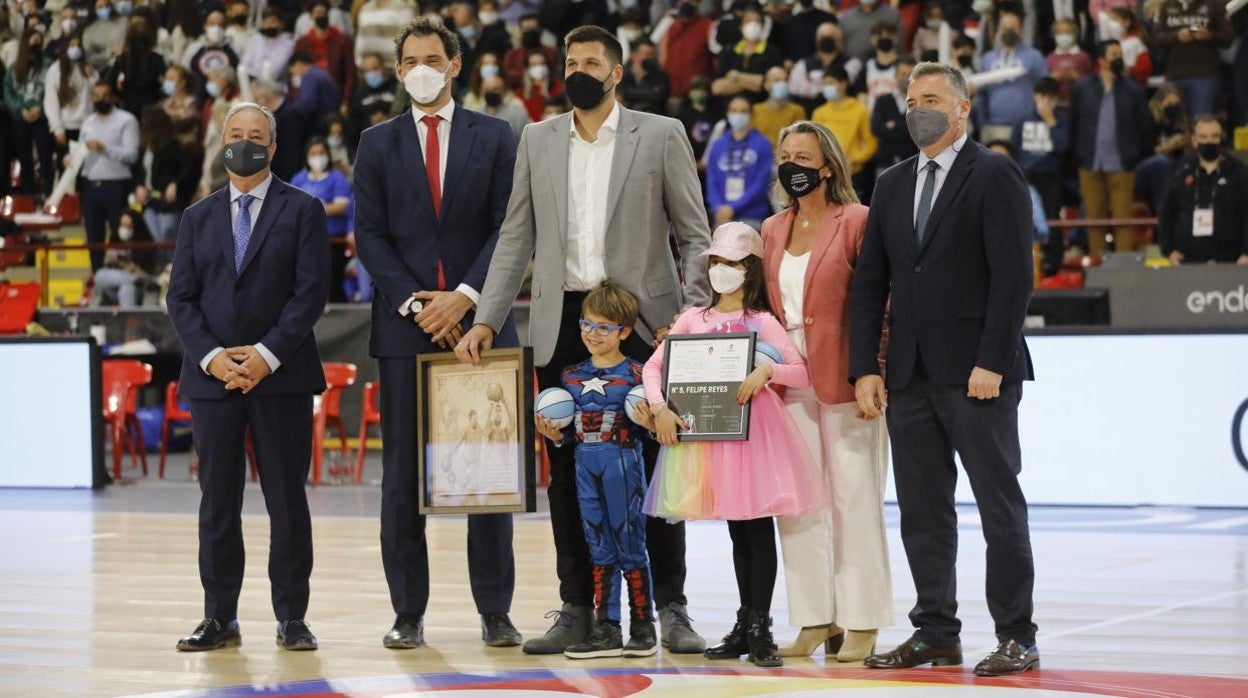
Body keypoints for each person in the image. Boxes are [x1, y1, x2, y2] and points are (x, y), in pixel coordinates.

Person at [456, 24, 710, 657]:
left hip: (644, 322)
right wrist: (486, 316)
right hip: (564, 322)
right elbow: (515, 235)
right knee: (568, 468)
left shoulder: (660, 133)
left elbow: (694, 232)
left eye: (591, 62)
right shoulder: (537, 139)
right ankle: (578, 605)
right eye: (570, 61)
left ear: (616, 73)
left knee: (654, 465)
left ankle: (670, 604)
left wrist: (695, 313)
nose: (578, 70)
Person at [849, 61, 1039, 677]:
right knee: (923, 512)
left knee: (998, 507)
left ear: (961, 109)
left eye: (930, 98)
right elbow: (872, 280)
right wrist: (864, 367)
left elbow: (1014, 278)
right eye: (910, 100)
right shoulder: (891, 182)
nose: (916, 109)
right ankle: (935, 632)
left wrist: (991, 359)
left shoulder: (996, 173)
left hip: (979, 376)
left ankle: (1017, 634)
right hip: (907, 375)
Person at [352, 17, 522, 650]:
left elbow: (509, 228)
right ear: (399, 71)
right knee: (401, 479)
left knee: (486, 474)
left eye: (432, 58)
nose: (420, 68)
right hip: (406, 330)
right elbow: (368, 235)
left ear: (455, 65)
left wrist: (466, 300)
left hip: (480, 326)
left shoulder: (498, 135)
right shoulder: (376, 142)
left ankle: (495, 611)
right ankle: (407, 613)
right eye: (409, 60)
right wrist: (415, 303)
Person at [167, 101, 330, 654]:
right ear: (222, 143)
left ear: (273, 146)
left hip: (280, 378)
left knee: (287, 501)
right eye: (235, 134)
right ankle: (219, 617)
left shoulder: (304, 209)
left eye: (255, 135)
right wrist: (214, 357)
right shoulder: (196, 217)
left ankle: (292, 617)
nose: (245, 142)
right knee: (218, 502)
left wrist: (264, 355)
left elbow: (310, 294)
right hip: (212, 381)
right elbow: (181, 299)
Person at [642, 221, 827, 669]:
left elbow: (801, 371)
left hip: (754, 437)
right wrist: (659, 407)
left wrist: (767, 372)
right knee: (736, 531)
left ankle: (760, 623)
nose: (723, 270)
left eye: (733, 263)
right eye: (717, 262)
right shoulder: (691, 319)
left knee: (757, 529)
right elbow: (653, 368)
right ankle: (745, 622)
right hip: (708, 437)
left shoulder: (762, 322)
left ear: (750, 269)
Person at [762, 120, 893, 664]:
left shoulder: (858, 220)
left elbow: (881, 303)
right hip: (787, 383)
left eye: (804, 156)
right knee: (798, 508)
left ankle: (862, 620)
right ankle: (817, 618)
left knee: (855, 501)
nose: (793, 164)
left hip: (846, 376)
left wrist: (874, 369)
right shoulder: (771, 228)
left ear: (828, 166)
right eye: (786, 154)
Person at [533, 281, 659, 659]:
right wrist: (553, 436)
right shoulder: (570, 377)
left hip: (623, 462)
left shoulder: (640, 375)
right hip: (584, 465)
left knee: (629, 541)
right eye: (587, 325)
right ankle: (607, 627)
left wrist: (651, 424)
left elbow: (653, 431)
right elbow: (566, 436)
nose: (592, 334)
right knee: (598, 542)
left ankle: (642, 625)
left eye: (603, 327)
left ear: (624, 331)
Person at [1071, 40, 1153, 255]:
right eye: (1113, 54)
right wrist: (1077, 155)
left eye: (1120, 53)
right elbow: (1075, 122)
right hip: (1090, 161)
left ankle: (1123, 264)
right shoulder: (1083, 88)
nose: (1118, 58)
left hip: (1122, 162)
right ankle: (1098, 262)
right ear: (1101, 61)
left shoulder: (1134, 90)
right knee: (1093, 218)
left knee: (1122, 219)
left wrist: (1135, 154)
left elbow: (1145, 126)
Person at [1158, 116, 1248, 266]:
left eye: (1215, 136)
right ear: (1194, 140)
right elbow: (1166, 215)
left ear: (1222, 138)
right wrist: (1169, 250)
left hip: (1231, 264)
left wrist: (1246, 252)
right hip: (1188, 263)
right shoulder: (1182, 175)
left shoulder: (1240, 174)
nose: (1209, 141)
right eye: (1203, 137)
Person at [1010, 77, 1068, 275]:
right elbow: (1014, 148)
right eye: (1042, 96)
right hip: (1027, 175)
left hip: (1052, 175)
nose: (1046, 102)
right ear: (1035, 95)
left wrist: (1051, 122)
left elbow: (1063, 148)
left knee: (1051, 216)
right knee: (1026, 217)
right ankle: (1025, 260)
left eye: (1051, 98)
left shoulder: (1061, 121)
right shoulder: (1023, 119)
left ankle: (1053, 260)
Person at [80, 81, 140, 271]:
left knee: (120, 233)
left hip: (116, 184)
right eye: (96, 96)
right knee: (93, 235)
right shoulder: (87, 123)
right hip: (90, 185)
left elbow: (132, 154)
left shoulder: (126, 120)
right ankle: (97, 274)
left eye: (104, 95)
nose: (100, 100)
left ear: (112, 97)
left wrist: (105, 148)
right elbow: (81, 151)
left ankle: (124, 272)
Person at [973, 3, 1048, 139]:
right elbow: (981, 94)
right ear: (998, 30)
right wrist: (983, 123)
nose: (1009, 31)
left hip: (1026, 126)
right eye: (1004, 28)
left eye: (1013, 28)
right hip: (993, 126)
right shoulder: (987, 58)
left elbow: (1044, 91)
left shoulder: (1034, 56)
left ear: (1021, 29)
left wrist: (1037, 120)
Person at [292, 137, 352, 302]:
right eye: (314, 153)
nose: (318, 157)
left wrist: (312, 208)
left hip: (332, 242)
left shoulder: (337, 178)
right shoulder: (299, 179)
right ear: (307, 156)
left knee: (333, 286)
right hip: (304, 241)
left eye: (321, 153)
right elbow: (292, 208)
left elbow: (342, 206)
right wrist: (323, 207)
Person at [1151, 0, 1231, 118]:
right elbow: (1155, 39)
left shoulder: (1214, 5)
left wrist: (1209, 36)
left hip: (1204, 75)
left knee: (1201, 120)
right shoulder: (1166, 6)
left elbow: (1228, 38)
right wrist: (1177, 36)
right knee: (1174, 122)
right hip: (1174, 75)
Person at [706, 96, 773, 229]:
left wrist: (733, 208)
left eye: (743, 111)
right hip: (721, 215)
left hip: (751, 216)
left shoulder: (763, 144)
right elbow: (711, 181)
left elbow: (761, 183)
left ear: (751, 114)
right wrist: (718, 207)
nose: (738, 115)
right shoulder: (718, 145)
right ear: (728, 114)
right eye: (734, 110)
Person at [811, 67, 877, 199]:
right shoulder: (819, 113)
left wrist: (855, 159)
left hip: (852, 174)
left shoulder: (859, 111)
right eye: (825, 84)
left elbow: (871, 142)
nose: (827, 87)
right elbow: (814, 143)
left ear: (843, 84)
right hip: (827, 173)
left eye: (830, 83)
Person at [4, 27, 53, 198]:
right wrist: (20, 108)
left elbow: (53, 91)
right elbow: (8, 93)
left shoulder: (48, 65)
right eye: (33, 41)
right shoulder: (14, 68)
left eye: (39, 42)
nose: (36, 45)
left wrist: (40, 107)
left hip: (42, 117)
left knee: (45, 157)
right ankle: (28, 197)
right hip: (20, 118)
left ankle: (49, 195)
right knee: (25, 160)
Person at [710, 4, 783, 108]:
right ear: (741, 26)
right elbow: (717, 87)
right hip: (730, 110)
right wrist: (753, 82)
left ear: (762, 26)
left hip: (761, 109)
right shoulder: (728, 52)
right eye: (748, 21)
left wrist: (736, 76)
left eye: (757, 21)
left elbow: (767, 85)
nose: (753, 25)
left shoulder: (773, 52)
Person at [45, 33, 98, 176]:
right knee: (66, 169)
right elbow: (51, 102)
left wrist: (92, 77)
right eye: (72, 45)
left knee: (85, 168)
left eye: (78, 46)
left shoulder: (89, 69)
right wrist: (58, 128)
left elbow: (96, 96)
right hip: (66, 127)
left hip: (86, 126)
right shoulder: (55, 70)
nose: (75, 49)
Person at [294, 0, 356, 108]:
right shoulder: (302, 43)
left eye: (324, 13)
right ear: (311, 16)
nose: (321, 16)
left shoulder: (342, 40)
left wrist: (346, 102)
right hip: (311, 99)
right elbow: (296, 74)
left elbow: (350, 74)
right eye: (318, 13)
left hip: (335, 97)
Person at [94, 209, 158, 307]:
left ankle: (128, 320)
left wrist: (126, 261)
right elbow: (107, 268)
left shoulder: (144, 245)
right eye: (122, 225)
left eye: (129, 226)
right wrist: (111, 258)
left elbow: (144, 272)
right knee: (99, 275)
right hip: (115, 285)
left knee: (127, 288)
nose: (125, 229)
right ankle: (131, 279)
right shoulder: (114, 240)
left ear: (135, 227)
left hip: (137, 288)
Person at [107, 16, 167, 119]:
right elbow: (164, 84)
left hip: (128, 106)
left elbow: (110, 82)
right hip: (152, 105)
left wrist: (120, 95)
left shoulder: (122, 59)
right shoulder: (158, 59)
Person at [872, 55, 918, 173]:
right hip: (885, 164)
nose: (907, 78)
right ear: (895, 75)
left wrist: (894, 125)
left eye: (910, 75)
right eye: (903, 74)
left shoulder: (922, 103)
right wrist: (906, 127)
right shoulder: (882, 100)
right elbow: (876, 129)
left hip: (913, 165)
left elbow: (919, 131)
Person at [751, 66, 804, 147]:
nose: (782, 84)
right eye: (777, 80)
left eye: (785, 80)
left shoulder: (797, 111)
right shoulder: (755, 111)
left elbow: (800, 140)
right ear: (766, 84)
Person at [241, 8, 295, 85]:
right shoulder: (256, 41)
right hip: (254, 84)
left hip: (276, 87)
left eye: (273, 22)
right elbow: (245, 65)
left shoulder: (288, 45)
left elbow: (275, 71)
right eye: (265, 22)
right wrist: (254, 76)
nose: (269, 25)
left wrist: (254, 73)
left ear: (281, 24)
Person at [839, 0, 903, 61]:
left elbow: (899, 44)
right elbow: (841, 44)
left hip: (883, 66)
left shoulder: (891, 15)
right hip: (852, 66)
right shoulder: (847, 16)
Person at [288, 51, 342, 122]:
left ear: (299, 64)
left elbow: (307, 105)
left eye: (294, 72)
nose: (295, 75)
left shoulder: (309, 76)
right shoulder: (320, 73)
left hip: (321, 122)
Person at [619, 38, 669, 115]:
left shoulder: (659, 74)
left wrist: (629, 93)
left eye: (653, 54)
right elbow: (620, 94)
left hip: (652, 114)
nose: (651, 58)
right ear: (634, 55)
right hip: (627, 114)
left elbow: (658, 97)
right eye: (647, 54)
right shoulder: (621, 73)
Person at [83, 0, 125, 69]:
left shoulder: (123, 22)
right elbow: (90, 57)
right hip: (105, 69)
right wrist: (109, 53)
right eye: (100, 7)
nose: (105, 9)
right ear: (94, 9)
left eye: (107, 6)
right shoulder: (89, 31)